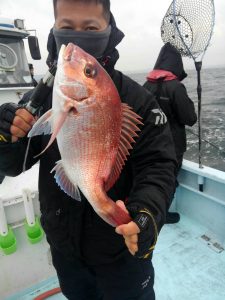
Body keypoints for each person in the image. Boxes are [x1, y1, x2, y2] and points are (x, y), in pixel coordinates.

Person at [0, 1, 177, 299]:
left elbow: (158, 165)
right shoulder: (38, 98)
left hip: (121, 253)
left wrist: (146, 214)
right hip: (65, 249)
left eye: (91, 28)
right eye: (67, 27)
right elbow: (13, 165)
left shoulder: (140, 101)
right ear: (54, 29)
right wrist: (6, 135)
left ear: (109, 30)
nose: (76, 38)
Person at [143, 42, 197, 224]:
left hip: (149, 145)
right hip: (172, 148)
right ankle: (161, 216)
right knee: (169, 181)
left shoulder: (146, 85)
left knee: (152, 180)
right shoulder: (175, 87)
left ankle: (146, 211)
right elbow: (190, 118)